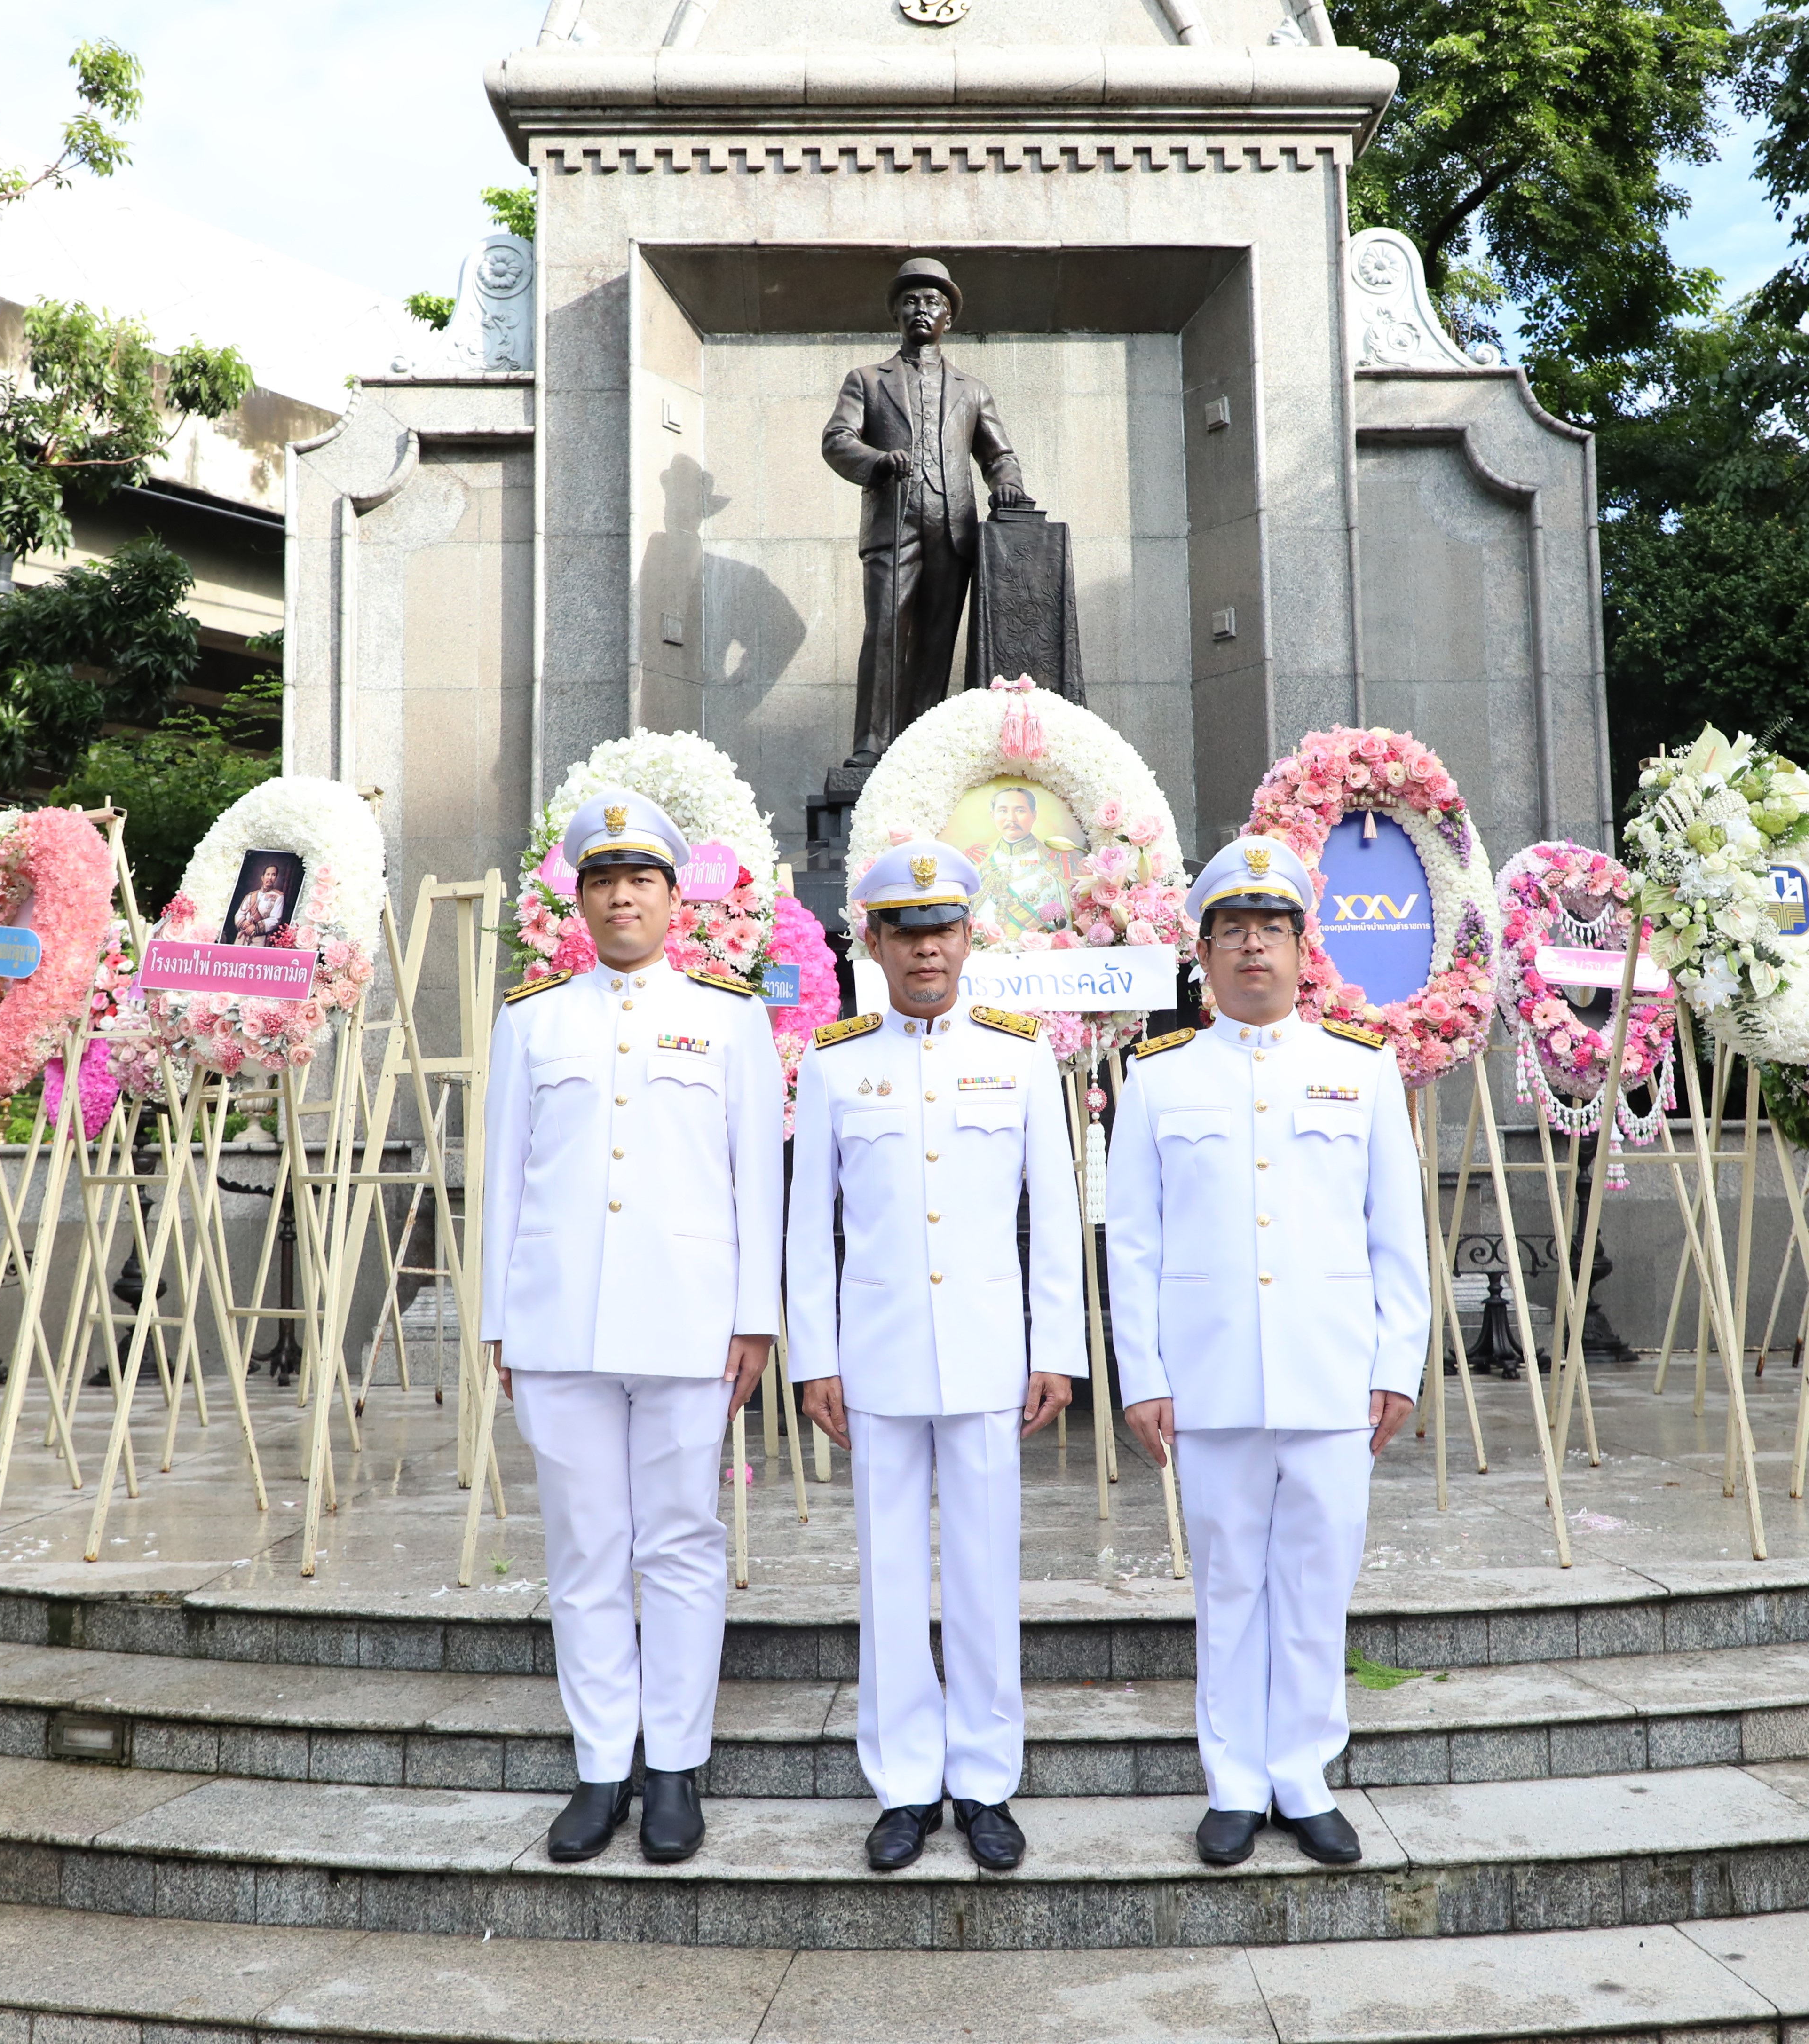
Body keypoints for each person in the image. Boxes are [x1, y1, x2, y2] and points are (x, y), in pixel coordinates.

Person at [1104, 835, 1427, 1869]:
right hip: (1206, 1377)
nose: (1253, 948)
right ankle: (1234, 1780)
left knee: (1318, 1575)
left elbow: (1396, 1233)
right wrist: (1142, 1374)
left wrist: (1396, 1364)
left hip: (1333, 1371)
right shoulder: (1156, 1079)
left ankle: (1305, 1770)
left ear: (1302, 947)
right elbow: (1135, 1240)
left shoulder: (1359, 1069)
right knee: (1229, 1580)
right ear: (1201, 951)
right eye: (1233, 931)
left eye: (1271, 930)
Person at [478, 789, 784, 1866]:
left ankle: (675, 1766)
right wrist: (496, 1323)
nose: (621, 896)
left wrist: (758, 1318)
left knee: (683, 1542)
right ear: (581, 895)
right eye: (603, 879)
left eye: (640, 879)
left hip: (692, 1323)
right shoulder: (535, 1016)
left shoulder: (729, 1013)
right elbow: (503, 1177)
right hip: (559, 1320)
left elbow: (760, 1178)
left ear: (671, 896)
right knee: (585, 1549)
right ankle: (602, 1764)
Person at [788, 842, 1079, 1874]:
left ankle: (986, 1780)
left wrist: (1059, 1349)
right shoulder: (833, 1061)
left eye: (941, 928)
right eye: (904, 931)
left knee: (988, 1570)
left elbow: (1055, 1210)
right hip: (873, 1357)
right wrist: (811, 1357)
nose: (925, 948)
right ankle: (905, 1783)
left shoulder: (1021, 1053)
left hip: (991, 1353)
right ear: (871, 941)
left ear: (967, 937)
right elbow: (803, 1225)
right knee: (887, 1573)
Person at [821, 256, 1030, 768]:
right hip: (894, 522)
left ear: (948, 319)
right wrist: (876, 462)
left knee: (938, 641)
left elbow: (999, 456)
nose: (922, 309)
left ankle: (921, 743)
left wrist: (1007, 484)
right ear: (896, 315)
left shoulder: (972, 389)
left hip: (953, 529)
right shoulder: (868, 380)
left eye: (933, 301)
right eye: (911, 300)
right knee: (886, 630)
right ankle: (871, 743)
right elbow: (837, 441)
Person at [968, 784, 1074, 938]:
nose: (1011, 819)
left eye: (1020, 810)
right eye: (1003, 811)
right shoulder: (977, 859)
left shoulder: (1059, 860)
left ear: (1034, 815)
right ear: (993, 815)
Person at [234, 863, 289, 942]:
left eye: (274, 875)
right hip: (242, 935)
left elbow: (275, 919)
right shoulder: (251, 895)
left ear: (276, 878)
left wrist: (255, 927)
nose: (270, 878)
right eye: (268, 874)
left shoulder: (279, 897)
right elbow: (240, 914)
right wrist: (243, 923)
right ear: (263, 877)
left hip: (259, 939)